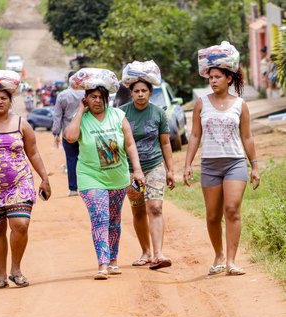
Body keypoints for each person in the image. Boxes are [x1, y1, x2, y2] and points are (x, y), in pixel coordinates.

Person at [183, 43, 260, 276]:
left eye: (218, 77)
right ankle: (218, 255)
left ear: (229, 78)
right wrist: (187, 164)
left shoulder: (240, 105)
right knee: (213, 215)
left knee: (232, 210)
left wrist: (255, 165)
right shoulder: (201, 104)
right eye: (211, 77)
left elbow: (247, 136)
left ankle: (232, 262)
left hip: (235, 162)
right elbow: (195, 135)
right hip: (210, 165)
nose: (213, 81)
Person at [64, 74, 144, 280]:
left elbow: (129, 144)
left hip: (118, 177)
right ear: (86, 99)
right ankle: (103, 264)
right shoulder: (81, 119)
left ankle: (114, 260)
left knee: (114, 220)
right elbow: (70, 137)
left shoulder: (118, 116)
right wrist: (81, 111)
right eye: (92, 96)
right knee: (100, 217)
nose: (97, 100)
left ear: (107, 98)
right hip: (90, 177)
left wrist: (137, 170)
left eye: (101, 96)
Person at [0, 88, 51, 289]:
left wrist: (44, 178)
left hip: (19, 184)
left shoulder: (22, 124)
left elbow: (33, 153)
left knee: (21, 224)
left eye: (3, 98)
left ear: (10, 101)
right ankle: (1, 276)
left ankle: (16, 270)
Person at [120, 79, 175, 270]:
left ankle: (159, 254)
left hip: (155, 165)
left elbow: (166, 143)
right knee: (138, 209)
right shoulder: (122, 113)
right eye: (137, 91)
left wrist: (171, 170)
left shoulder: (158, 113)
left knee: (155, 207)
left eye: (144, 90)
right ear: (131, 93)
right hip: (130, 170)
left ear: (150, 92)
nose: (141, 94)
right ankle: (145, 252)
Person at [52, 71, 84, 196]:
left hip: (68, 133)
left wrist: (56, 133)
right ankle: (86, 186)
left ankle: (73, 189)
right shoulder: (86, 94)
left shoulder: (63, 95)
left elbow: (57, 115)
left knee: (71, 159)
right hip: (84, 131)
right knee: (87, 159)